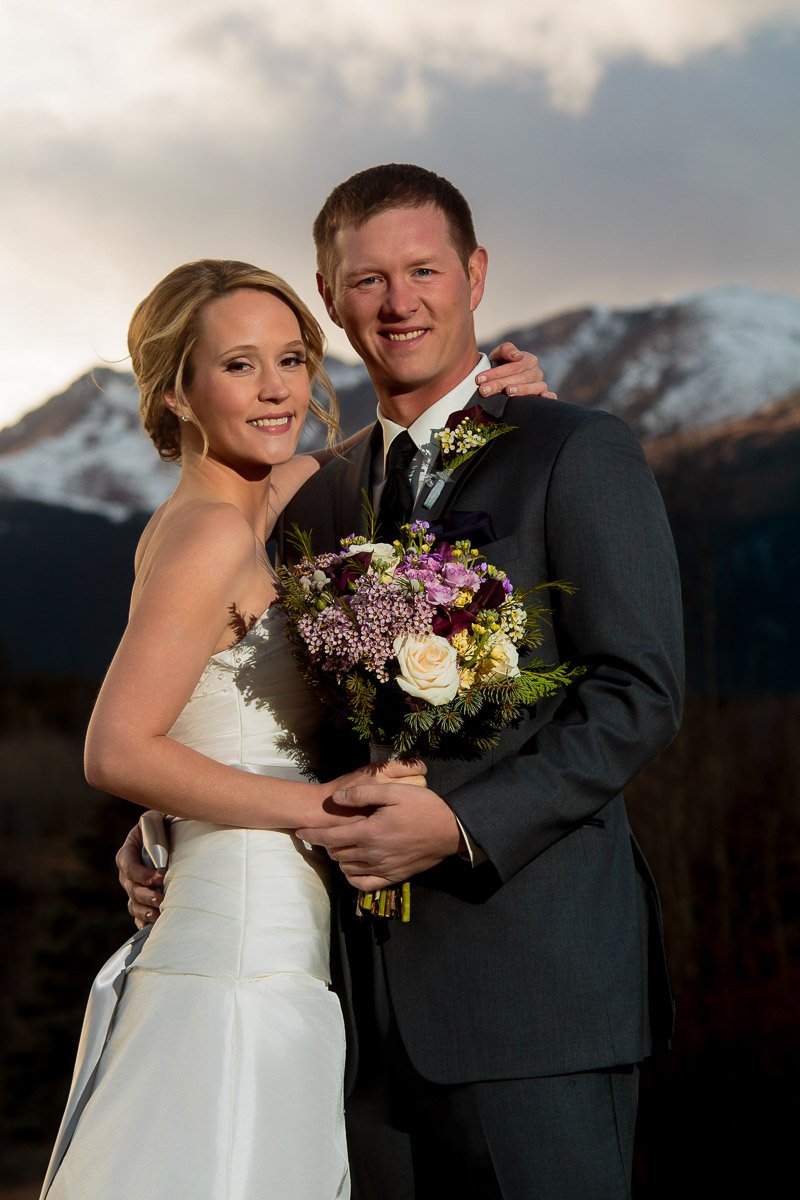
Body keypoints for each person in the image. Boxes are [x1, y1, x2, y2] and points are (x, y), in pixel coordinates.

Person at [119, 165, 683, 1197]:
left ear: (472, 274)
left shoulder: (571, 449)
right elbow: (281, 703)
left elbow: (637, 693)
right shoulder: (318, 498)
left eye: (423, 269)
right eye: (367, 280)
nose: (398, 301)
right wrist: (172, 816)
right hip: (354, 1014)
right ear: (330, 296)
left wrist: (459, 824)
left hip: (537, 996)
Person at [40, 256, 546, 1200]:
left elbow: (351, 456)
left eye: (291, 358)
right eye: (238, 365)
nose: (277, 389)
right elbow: (116, 749)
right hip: (242, 941)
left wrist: (486, 404)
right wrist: (325, 803)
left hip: (264, 916)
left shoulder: (240, 506)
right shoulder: (210, 537)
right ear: (178, 391)